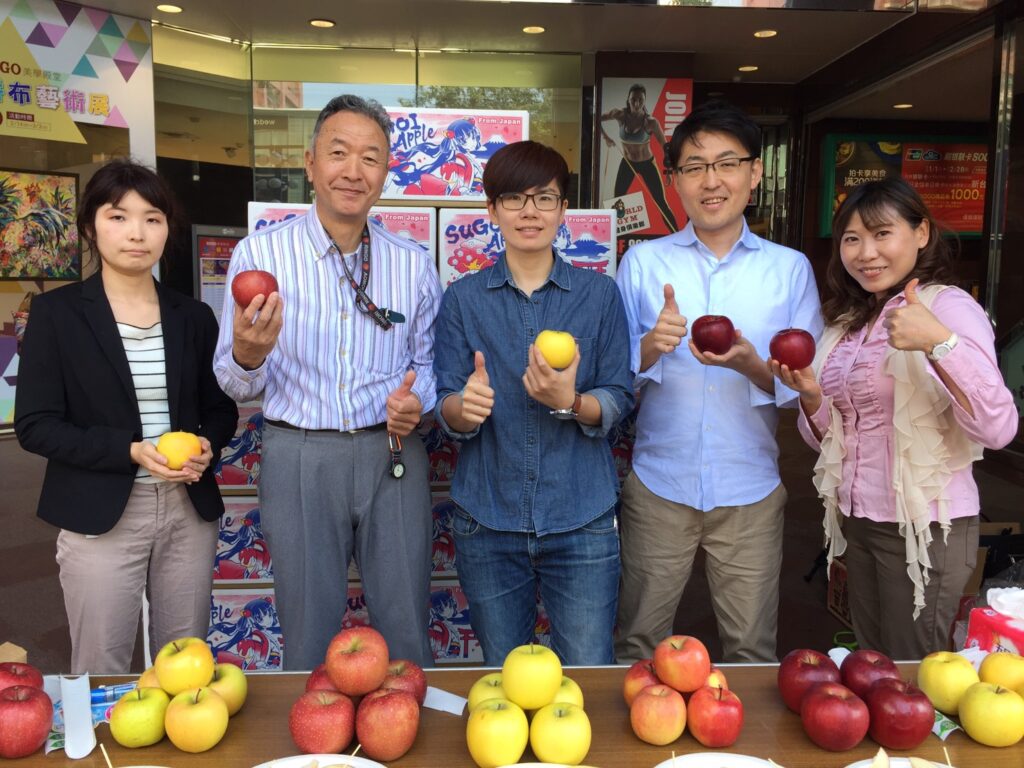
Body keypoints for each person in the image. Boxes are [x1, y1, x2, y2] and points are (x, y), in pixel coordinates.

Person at [213, 94, 442, 670]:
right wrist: (247, 354)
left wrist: (418, 402)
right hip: (298, 454)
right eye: (338, 153)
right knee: (309, 624)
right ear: (310, 163)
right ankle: (314, 754)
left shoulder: (411, 263)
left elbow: (431, 365)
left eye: (370, 157)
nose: (353, 170)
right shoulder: (260, 254)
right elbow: (233, 381)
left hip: (392, 451)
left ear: (386, 173)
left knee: (406, 619)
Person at [771, 177, 1017, 658]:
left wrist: (938, 342)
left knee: (914, 670)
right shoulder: (847, 323)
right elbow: (829, 443)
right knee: (873, 661)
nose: (866, 252)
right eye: (852, 239)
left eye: (882, 234)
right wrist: (812, 397)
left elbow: (998, 426)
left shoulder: (947, 307)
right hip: (858, 521)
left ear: (921, 233)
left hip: (925, 526)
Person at [614, 99, 823, 664]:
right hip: (659, 484)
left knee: (752, 650)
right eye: (694, 166)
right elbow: (611, 379)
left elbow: (807, 385)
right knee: (636, 642)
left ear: (754, 174)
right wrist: (648, 349)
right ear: (674, 179)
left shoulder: (789, 269)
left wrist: (750, 365)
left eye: (726, 163)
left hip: (749, 488)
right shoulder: (642, 263)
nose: (712, 181)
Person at [15, 158, 238, 674]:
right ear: (91, 225)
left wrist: (207, 443)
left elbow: (219, 407)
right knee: (102, 661)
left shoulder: (194, 315)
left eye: (153, 218)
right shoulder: (58, 315)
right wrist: (129, 450)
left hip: (187, 505)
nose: (137, 233)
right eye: (119, 217)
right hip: (101, 511)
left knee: (185, 664)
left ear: (167, 230)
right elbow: (35, 424)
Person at [433, 140, 634, 665]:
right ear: (491, 209)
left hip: (582, 516)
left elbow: (618, 396)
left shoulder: (599, 296)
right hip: (488, 518)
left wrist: (571, 402)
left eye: (544, 198)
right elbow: (446, 406)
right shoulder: (463, 299)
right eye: (514, 198)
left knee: (589, 672)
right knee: (505, 676)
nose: (530, 212)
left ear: (564, 210)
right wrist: (464, 408)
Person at [600, 83, 678, 233]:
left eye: (640, 100)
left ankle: (677, 236)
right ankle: (610, 238)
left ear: (644, 100)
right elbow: (595, 117)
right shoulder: (619, 115)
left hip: (647, 164)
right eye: (633, 100)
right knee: (617, 201)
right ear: (628, 100)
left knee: (661, 203)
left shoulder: (651, 122)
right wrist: (606, 138)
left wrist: (669, 171)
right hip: (628, 163)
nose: (636, 103)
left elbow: (666, 148)